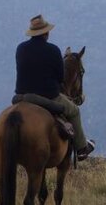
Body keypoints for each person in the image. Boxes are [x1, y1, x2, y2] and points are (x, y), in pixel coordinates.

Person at [15, 14, 95, 159]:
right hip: (48, 96)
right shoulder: (53, 50)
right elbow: (60, 78)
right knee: (75, 111)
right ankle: (82, 148)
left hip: (21, 96)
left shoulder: (21, 48)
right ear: (46, 33)